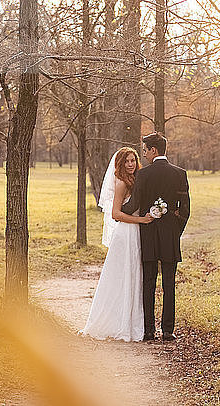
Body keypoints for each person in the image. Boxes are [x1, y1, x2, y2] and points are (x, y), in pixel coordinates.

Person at [80, 147, 154, 342]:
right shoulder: (121, 182)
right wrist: (141, 220)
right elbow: (116, 214)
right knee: (123, 275)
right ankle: (117, 323)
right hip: (126, 232)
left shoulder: (136, 179)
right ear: (120, 164)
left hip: (135, 232)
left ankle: (130, 320)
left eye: (133, 160)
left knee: (133, 275)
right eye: (127, 161)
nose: (130, 164)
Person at [122, 133, 190, 341]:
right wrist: (174, 230)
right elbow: (185, 210)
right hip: (170, 236)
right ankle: (168, 331)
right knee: (169, 283)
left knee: (149, 281)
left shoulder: (144, 175)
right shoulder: (180, 173)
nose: (143, 154)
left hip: (148, 234)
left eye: (144, 150)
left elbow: (134, 206)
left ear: (154, 150)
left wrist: (116, 209)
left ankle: (149, 330)